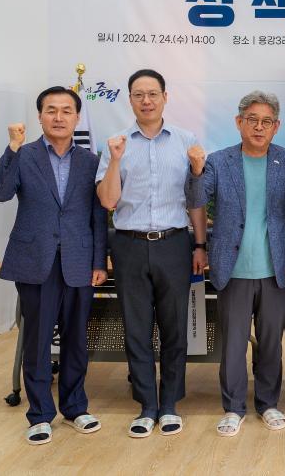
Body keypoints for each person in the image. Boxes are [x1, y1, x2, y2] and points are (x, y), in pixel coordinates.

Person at [0, 86, 107, 445]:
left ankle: (75, 407)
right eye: (51, 110)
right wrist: (11, 147)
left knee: (76, 340)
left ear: (77, 117)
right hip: (35, 261)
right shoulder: (23, 155)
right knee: (38, 341)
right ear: (40, 116)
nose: (59, 117)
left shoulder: (91, 161)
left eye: (66, 111)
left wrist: (99, 261)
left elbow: (98, 217)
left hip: (78, 262)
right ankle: (40, 415)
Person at [186, 91, 285, 437]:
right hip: (232, 268)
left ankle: (268, 404)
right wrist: (196, 171)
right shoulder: (219, 161)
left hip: (275, 268)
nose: (258, 127)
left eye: (266, 121)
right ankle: (234, 407)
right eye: (252, 119)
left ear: (276, 127)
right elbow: (196, 199)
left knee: (270, 343)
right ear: (239, 122)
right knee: (234, 346)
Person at [96, 68, 207, 438]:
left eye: (153, 94)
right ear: (130, 100)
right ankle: (146, 406)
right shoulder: (115, 144)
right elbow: (108, 201)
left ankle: (170, 404)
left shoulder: (186, 141)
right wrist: (115, 160)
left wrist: (200, 244)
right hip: (128, 244)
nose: (146, 101)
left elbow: (195, 200)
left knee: (175, 329)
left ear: (165, 97)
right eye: (138, 94)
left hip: (174, 243)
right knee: (137, 328)